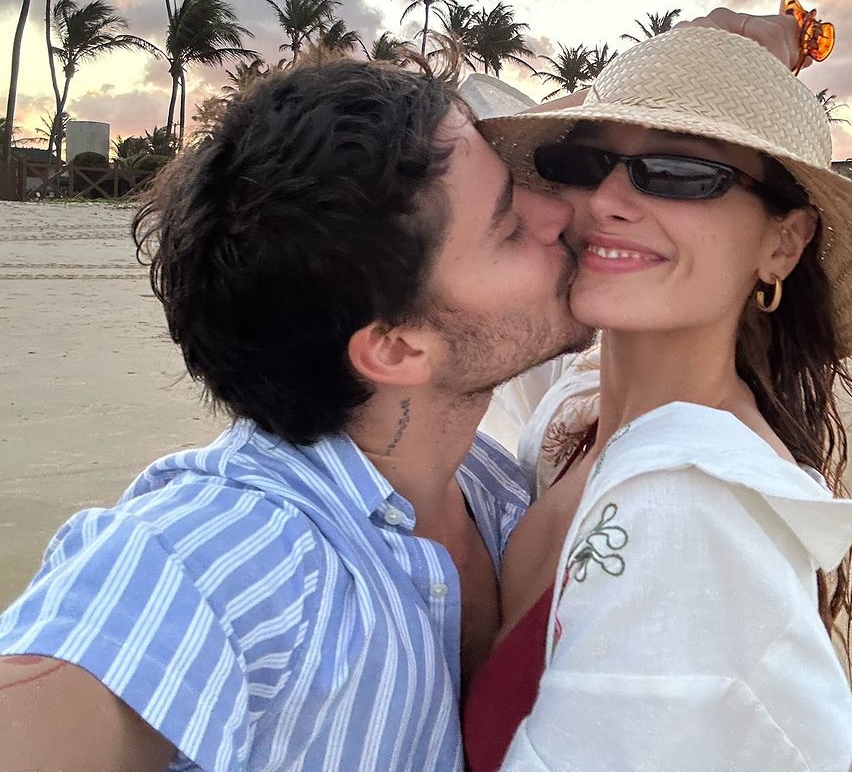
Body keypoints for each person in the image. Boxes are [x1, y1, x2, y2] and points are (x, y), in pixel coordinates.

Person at [0, 62, 593, 771]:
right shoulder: (226, 551)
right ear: (397, 348)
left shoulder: (499, 487)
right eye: (510, 226)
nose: (559, 214)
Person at [464, 25, 852, 770]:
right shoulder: (582, 416)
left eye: (680, 173)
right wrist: (698, 47)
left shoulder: (695, 515)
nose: (606, 200)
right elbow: (443, 156)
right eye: (583, 163)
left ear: (782, 244)